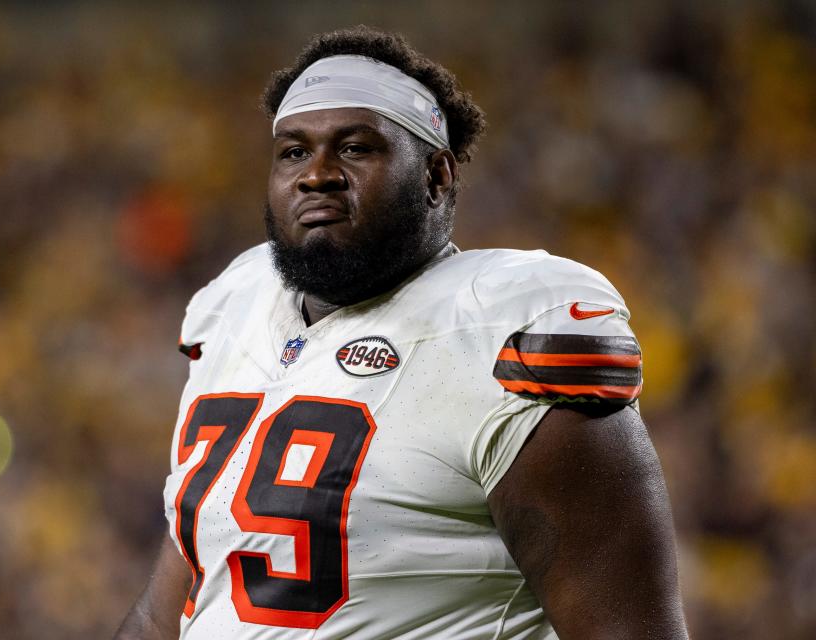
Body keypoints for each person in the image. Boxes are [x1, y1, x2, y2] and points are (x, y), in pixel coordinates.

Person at [115, 26, 689, 640]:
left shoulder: (502, 331)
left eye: (356, 148)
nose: (317, 174)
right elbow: (164, 610)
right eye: (293, 152)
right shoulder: (237, 308)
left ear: (436, 178)